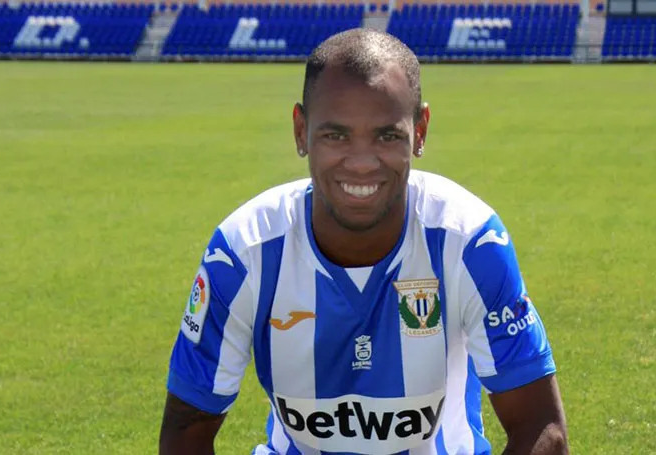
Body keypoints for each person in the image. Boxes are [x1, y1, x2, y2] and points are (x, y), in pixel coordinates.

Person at [159, 28, 568, 455]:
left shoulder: (469, 243)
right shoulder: (243, 252)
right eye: (336, 135)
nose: (360, 163)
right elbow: (186, 431)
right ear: (301, 131)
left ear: (421, 131)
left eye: (387, 136)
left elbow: (541, 429)